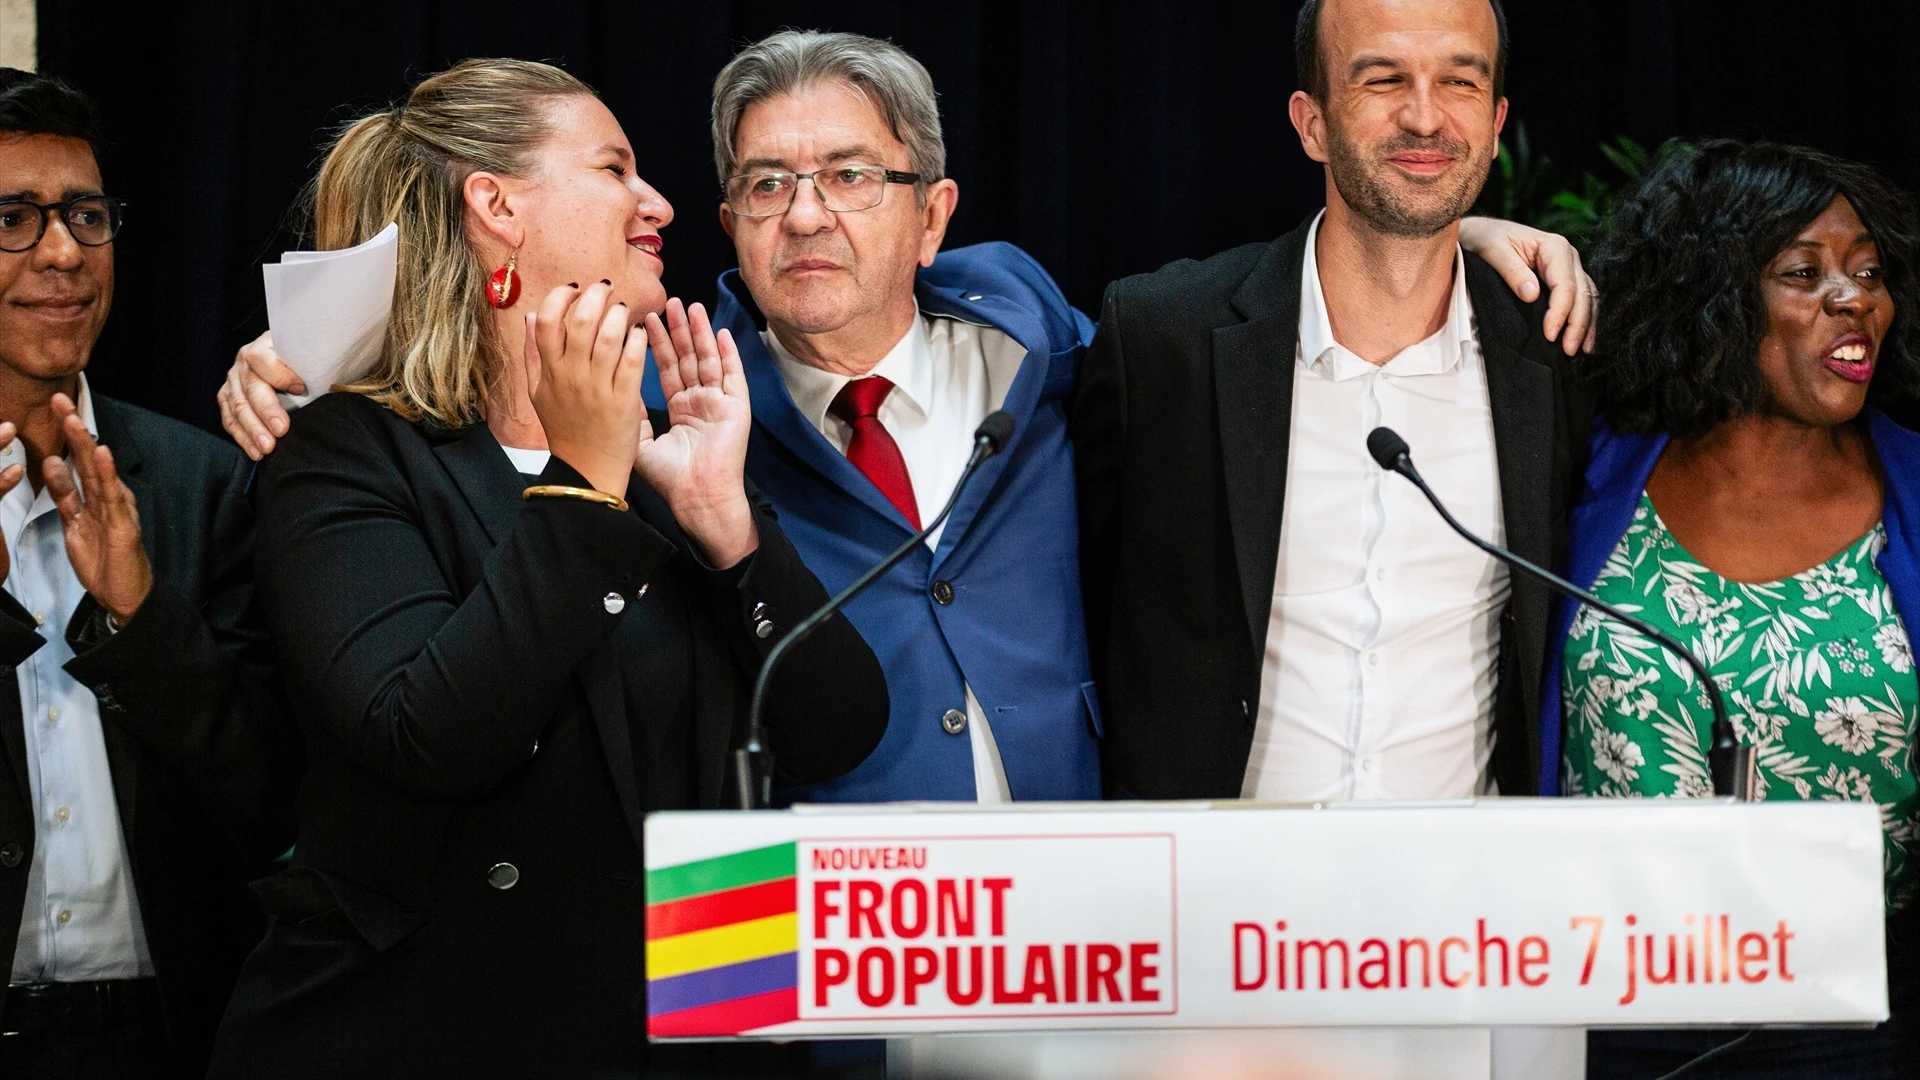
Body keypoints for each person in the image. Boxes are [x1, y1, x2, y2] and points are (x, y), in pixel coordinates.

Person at [215, 28, 1592, 813]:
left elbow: (1300, 305)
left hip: (1084, 950)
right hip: (811, 966)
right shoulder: (674, 395)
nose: (803, 214)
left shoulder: (1058, 350)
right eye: (760, 186)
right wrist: (301, 347)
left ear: (935, 213)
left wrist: (1444, 219)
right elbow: (483, 361)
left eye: (849, 176)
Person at [204, 60, 887, 1077]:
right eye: (615, 167)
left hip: (700, 1024)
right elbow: (426, 735)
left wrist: (727, 524)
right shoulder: (347, 449)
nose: (656, 203)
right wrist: (582, 484)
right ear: (496, 205)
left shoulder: (670, 458)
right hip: (441, 1036)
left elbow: (837, 733)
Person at [1074, 0, 1593, 802]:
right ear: (1311, 123)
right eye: (1383, 79)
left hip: (1463, 904)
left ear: (1494, 124)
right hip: (1215, 899)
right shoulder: (1159, 338)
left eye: (1459, 82)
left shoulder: (1551, 350)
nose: (1425, 117)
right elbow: (1085, 587)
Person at [1548, 140, 1920, 1079]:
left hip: (1865, 1032)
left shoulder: (1914, 492)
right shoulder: (1574, 475)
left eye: (1868, 270)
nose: (1854, 299)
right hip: (1603, 1013)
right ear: (1709, 298)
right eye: (1804, 272)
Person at [0, 71, 296, 1079]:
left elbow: (274, 800)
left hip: (169, 1035)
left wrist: (139, 614)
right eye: (14, 218)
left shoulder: (202, 480)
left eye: (85, 214)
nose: (62, 251)